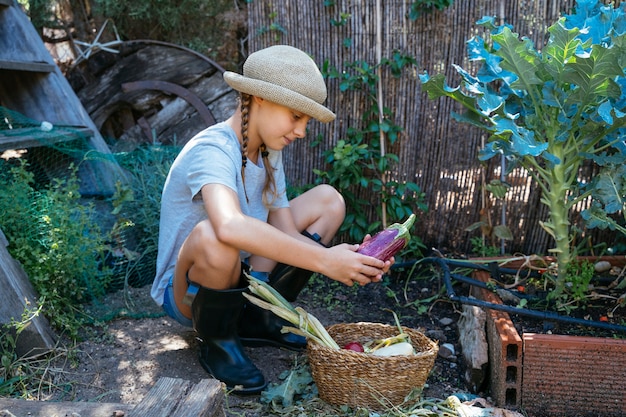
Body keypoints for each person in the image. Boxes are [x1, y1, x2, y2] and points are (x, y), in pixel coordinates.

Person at [150, 45, 392, 394]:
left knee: (328, 201)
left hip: (242, 274)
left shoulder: (267, 151)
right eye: (296, 116)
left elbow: (284, 230)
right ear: (259, 98)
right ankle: (217, 341)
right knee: (216, 234)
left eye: (306, 121)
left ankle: (259, 318)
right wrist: (325, 261)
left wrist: (347, 257)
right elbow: (230, 225)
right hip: (189, 292)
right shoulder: (213, 149)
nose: (302, 131)